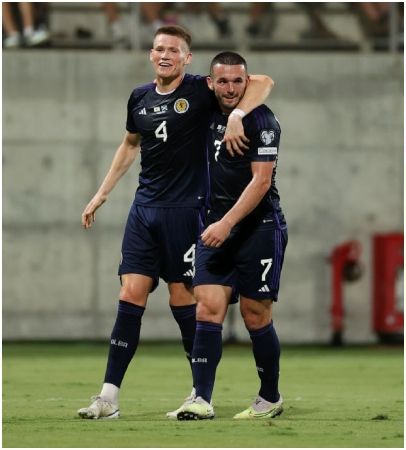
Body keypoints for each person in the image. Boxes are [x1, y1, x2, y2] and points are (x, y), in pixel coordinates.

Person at [77, 25, 273, 420]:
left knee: (184, 298)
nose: (165, 55)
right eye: (159, 49)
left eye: (174, 50)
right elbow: (130, 143)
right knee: (131, 294)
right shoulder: (139, 97)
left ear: (187, 58)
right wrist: (102, 192)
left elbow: (264, 81)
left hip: (190, 211)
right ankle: (108, 398)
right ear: (151, 55)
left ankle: (200, 392)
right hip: (144, 209)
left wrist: (237, 114)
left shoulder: (202, 90)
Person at [173, 51, 286, 420]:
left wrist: (228, 224)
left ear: (246, 81)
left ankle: (270, 398)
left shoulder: (263, 120)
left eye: (239, 80)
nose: (231, 87)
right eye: (223, 80)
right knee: (206, 306)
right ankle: (201, 399)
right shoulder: (204, 108)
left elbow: (261, 181)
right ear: (210, 83)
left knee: (256, 315)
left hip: (258, 227)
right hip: (213, 224)